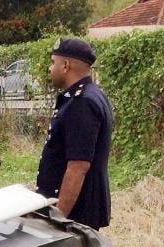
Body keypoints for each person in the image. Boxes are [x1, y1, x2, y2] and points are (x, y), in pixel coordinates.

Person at [36, 38, 113, 230]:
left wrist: (59, 217)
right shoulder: (91, 94)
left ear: (65, 66)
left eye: (53, 62)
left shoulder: (82, 102)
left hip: (77, 212)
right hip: (78, 208)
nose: (49, 68)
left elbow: (77, 167)